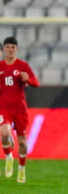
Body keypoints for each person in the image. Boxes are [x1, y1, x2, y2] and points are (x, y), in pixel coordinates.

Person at [0, 37, 40, 183]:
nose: (10, 49)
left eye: (13, 47)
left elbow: (36, 83)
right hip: (3, 107)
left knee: (22, 142)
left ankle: (22, 169)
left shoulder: (22, 66)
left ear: (16, 49)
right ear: (4, 49)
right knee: (4, 133)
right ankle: (9, 156)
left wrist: (27, 79)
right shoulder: (0, 66)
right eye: (7, 47)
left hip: (19, 108)